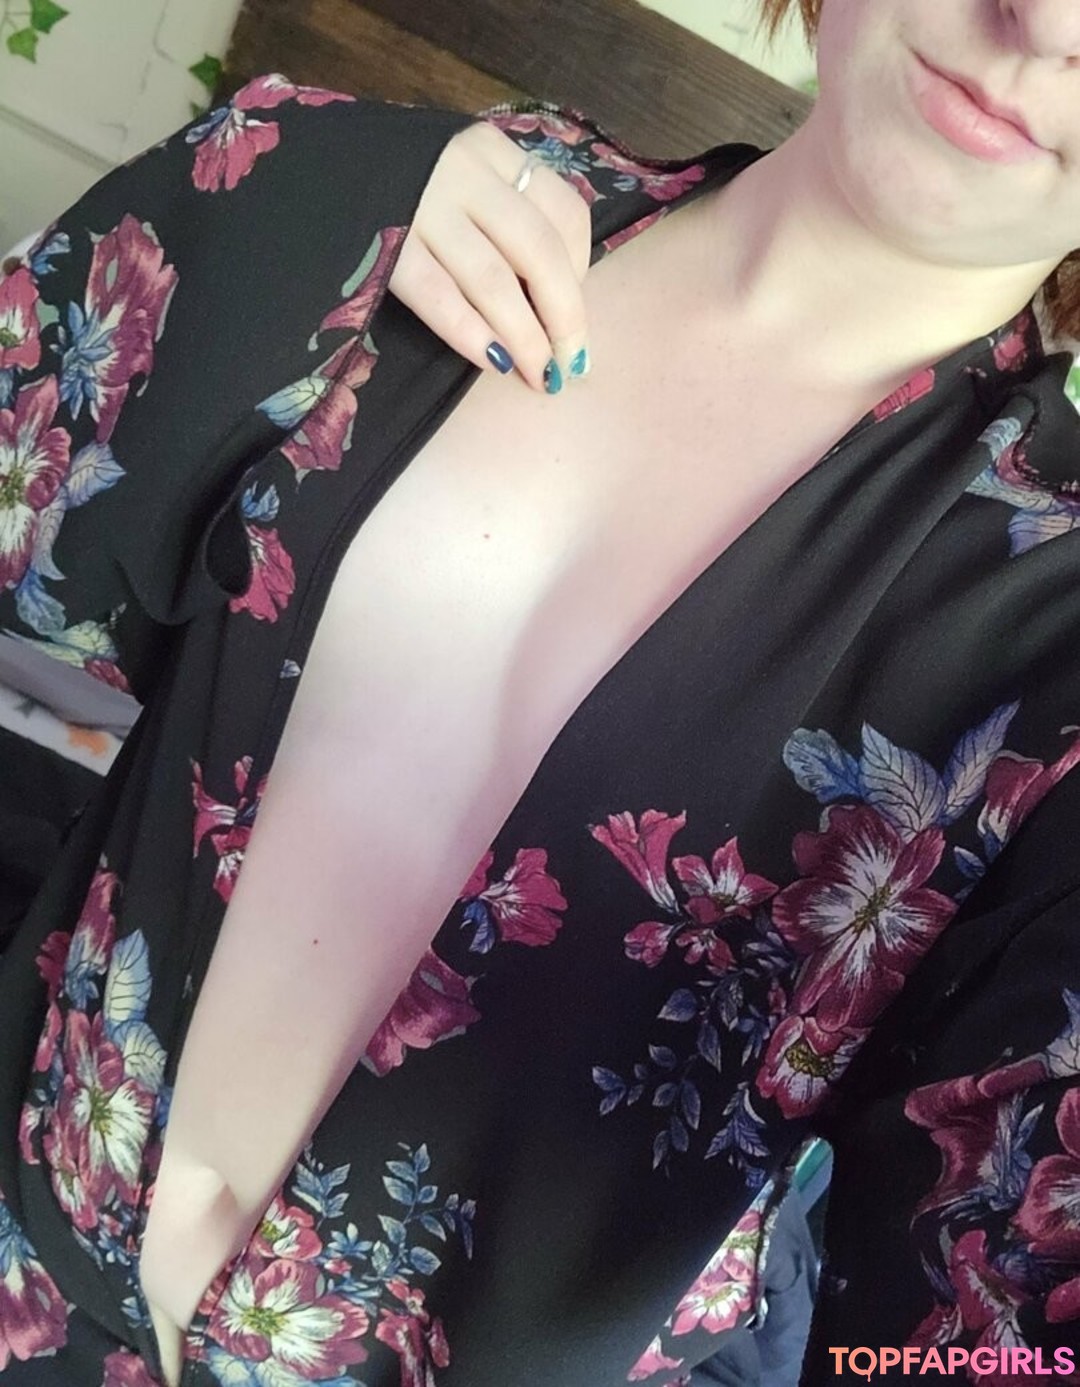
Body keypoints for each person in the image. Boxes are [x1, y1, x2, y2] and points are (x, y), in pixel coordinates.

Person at [2, 1, 1080, 1383]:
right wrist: (301, 187)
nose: (1044, 20)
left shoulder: (1052, 656)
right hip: (30, 1232)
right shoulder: (416, 201)